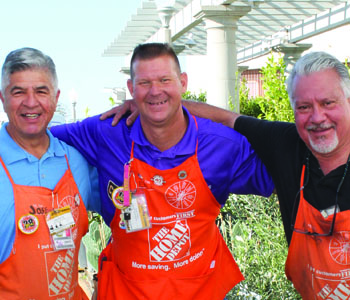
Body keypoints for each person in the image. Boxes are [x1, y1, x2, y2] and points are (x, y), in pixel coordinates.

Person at [106, 51, 350, 299]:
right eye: (304, 107)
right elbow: (227, 118)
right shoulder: (288, 145)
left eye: (328, 103)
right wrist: (150, 104)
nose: (318, 117)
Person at [50, 43, 274, 300]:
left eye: (165, 80)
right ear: (131, 90)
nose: (155, 91)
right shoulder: (107, 131)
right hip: (125, 291)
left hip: (199, 291)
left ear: (183, 83)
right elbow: (35, 135)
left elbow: (283, 172)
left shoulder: (222, 144)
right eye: (144, 83)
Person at [0, 47, 101, 300]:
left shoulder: (76, 161)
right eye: (18, 91)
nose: (31, 102)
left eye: (41, 91)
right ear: (2, 98)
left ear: (55, 98)